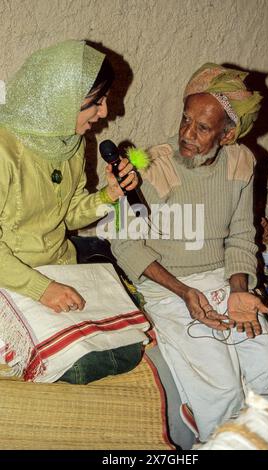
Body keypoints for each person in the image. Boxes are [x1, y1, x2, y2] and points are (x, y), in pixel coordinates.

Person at [110, 63, 268, 442]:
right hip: (168, 286)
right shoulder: (148, 168)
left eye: (202, 128)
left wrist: (240, 289)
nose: (186, 135)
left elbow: (241, 235)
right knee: (221, 389)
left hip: (220, 278)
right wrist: (185, 293)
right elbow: (123, 244)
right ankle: (211, 430)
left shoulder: (241, 162)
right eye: (185, 120)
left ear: (227, 134)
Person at [0, 40, 142, 384]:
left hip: (61, 266)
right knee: (79, 364)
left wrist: (109, 195)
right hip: (12, 277)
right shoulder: (5, 153)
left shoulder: (72, 141)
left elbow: (68, 215)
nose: (105, 112)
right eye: (95, 103)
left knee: (127, 347)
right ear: (55, 98)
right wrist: (42, 289)